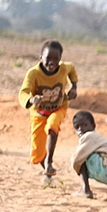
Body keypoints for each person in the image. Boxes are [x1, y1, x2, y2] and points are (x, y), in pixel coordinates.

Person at [18, 39, 78, 183]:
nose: (52, 62)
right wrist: (31, 100)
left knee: (52, 124)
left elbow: (72, 70)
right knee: (37, 153)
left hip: (58, 108)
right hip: (38, 113)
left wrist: (74, 87)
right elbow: (23, 92)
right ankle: (47, 169)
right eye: (48, 58)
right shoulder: (33, 73)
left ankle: (50, 162)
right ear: (41, 58)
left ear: (60, 59)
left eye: (56, 59)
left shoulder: (64, 68)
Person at [69, 110, 107, 199]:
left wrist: (77, 169)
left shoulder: (89, 136)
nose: (81, 129)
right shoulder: (100, 138)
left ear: (93, 126)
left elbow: (76, 159)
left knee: (82, 157)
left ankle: (85, 190)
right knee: (105, 158)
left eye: (84, 125)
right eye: (77, 127)